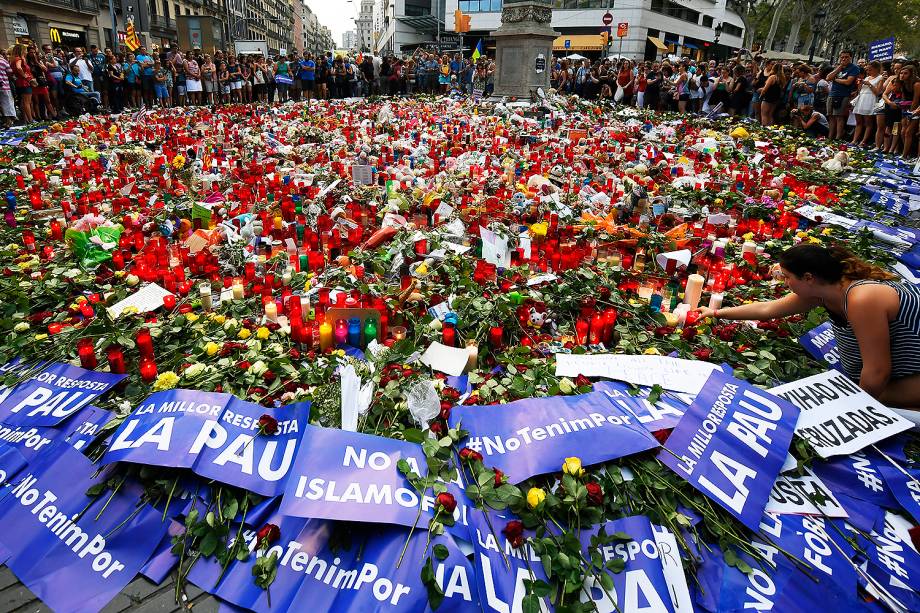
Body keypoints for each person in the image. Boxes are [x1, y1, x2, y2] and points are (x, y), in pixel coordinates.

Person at [697, 244, 920, 408]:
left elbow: (878, 372)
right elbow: (767, 310)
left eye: (786, 278)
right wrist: (716, 312)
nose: (784, 283)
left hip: (909, 374)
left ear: (808, 277)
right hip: (896, 374)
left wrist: (853, 408)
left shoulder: (862, 299)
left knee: (855, 397)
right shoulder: (822, 292)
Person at [826, 50, 861, 140]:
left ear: (851, 58)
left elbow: (848, 82)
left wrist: (836, 79)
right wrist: (839, 67)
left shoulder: (854, 68)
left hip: (843, 95)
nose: (844, 59)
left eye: (846, 57)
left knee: (839, 117)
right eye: (842, 57)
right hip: (832, 94)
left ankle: (838, 138)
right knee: (831, 116)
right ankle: (830, 137)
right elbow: (828, 77)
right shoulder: (838, 67)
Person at [851, 60, 884, 147]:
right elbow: (859, 91)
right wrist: (859, 84)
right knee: (858, 122)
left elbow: (878, 92)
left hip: (870, 99)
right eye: (867, 70)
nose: (868, 72)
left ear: (876, 69)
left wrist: (869, 84)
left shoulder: (880, 78)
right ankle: (854, 140)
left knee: (868, 123)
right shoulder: (866, 78)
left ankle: (863, 141)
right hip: (861, 98)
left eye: (870, 70)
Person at [10, 44, 35, 124]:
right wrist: (25, 76)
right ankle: (31, 120)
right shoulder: (19, 59)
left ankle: (26, 120)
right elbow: (18, 67)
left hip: (19, 82)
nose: (26, 52)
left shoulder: (13, 59)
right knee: (27, 102)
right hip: (24, 82)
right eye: (26, 50)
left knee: (23, 102)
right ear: (22, 50)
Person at [758, 61, 786, 126]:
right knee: (770, 114)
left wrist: (760, 96)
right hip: (776, 98)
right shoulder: (782, 78)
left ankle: (764, 129)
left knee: (764, 114)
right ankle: (770, 129)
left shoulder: (772, 77)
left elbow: (765, 89)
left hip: (768, 97)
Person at [0, 48, 16, 127]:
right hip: (4, 85)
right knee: (6, 103)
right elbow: (10, 72)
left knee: (3, 104)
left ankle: (8, 120)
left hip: (3, 85)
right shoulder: (4, 61)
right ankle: (10, 119)